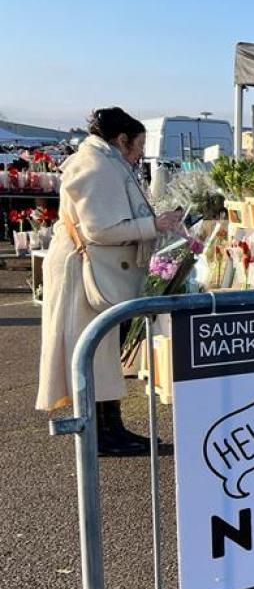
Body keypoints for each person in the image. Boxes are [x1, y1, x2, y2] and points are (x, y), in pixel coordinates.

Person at [37, 108, 182, 455]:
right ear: (121, 139)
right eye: (138, 146)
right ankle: (103, 433)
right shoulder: (98, 165)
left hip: (93, 269)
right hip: (88, 272)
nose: (139, 154)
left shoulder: (101, 161)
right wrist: (153, 225)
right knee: (96, 353)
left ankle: (108, 428)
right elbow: (100, 229)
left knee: (101, 354)